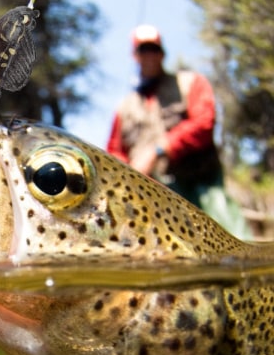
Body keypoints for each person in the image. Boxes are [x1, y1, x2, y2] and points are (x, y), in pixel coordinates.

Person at [106, 24, 250, 239]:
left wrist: (159, 149)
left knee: (235, 245)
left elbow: (204, 123)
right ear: (135, 56)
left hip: (203, 189)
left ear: (162, 53)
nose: (149, 56)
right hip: (154, 202)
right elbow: (114, 152)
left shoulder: (191, 83)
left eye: (154, 49)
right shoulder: (124, 108)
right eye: (143, 50)